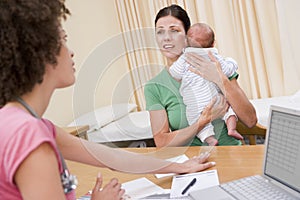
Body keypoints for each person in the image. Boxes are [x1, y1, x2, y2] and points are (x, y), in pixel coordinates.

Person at [0, 1, 216, 200]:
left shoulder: (31, 124)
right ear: (39, 54)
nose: (71, 52)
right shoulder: (29, 135)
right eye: (64, 40)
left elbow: (113, 158)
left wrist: (179, 167)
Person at [144, 4, 257, 147]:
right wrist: (203, 121)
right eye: (160, 32)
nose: (166, 38)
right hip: (193, 163)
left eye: (174, 31)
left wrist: (218, 78)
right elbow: (162, 142)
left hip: (232, 155)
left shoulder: (215, 65)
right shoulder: (154, 87)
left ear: (187, 36)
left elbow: (251, 120)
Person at [169, 22, 243, 146]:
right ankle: (231, 128)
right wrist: (231, 62)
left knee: (195, 120)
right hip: (216, 99)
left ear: (186, 42)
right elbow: (228, 70)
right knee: (229, 109)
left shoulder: (185, 58)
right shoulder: (213, 56)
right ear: (213, 43)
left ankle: (210, 139)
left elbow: (175, 73)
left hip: (196, 104)